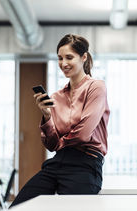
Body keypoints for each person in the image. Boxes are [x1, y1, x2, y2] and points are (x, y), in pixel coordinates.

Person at [10, 34, 110, 207]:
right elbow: (51, 145)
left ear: (83, 57)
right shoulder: (56, 97)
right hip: (58, 162)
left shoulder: (96, 87)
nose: (64, 63)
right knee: (19, 206)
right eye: (60, 58)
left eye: (69, 57)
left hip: (86, 163)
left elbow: (84, 134)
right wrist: (47, 115)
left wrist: (61, 143)